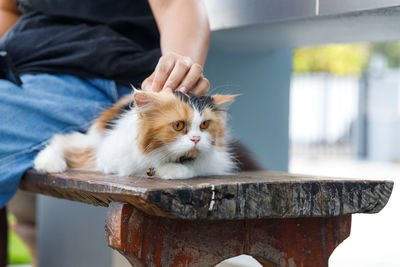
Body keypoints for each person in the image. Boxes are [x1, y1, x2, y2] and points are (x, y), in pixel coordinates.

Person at [0, 0, 211, 265]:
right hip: (16, 77)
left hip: (97, 77)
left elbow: (175, 4)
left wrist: (178, 74)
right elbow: (7, 9)